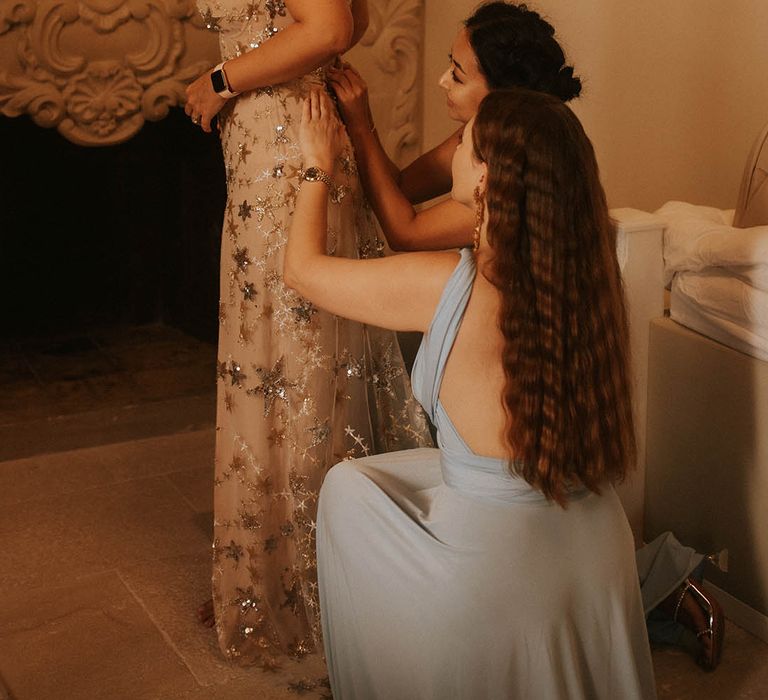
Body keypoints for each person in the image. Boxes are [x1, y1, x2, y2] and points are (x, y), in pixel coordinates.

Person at [329, 0, 724, 670]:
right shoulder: (472, 146)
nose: (443, 85)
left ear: (501, 91)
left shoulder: (510, 171)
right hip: (500, 339)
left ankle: (645, 587)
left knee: (530, 499)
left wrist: (362, 121)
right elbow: (395, 188)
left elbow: (403, 228)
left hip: (532, 336)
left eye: (458, 74)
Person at [285, 86, 657, 699]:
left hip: (494, 569)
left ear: (486, 176)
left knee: (344, 493)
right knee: (371, 482)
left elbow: (300, 269)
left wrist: (315, 164)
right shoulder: (586, 278)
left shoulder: (445, 284)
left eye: (464, 143)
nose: (452, 148)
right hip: (598, 551)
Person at [184, 0, 431, 666]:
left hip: (284, 153)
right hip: (285, 138)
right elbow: (355, 18)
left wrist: (221, 80)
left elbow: (331, 27)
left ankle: (296, 586)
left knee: (288, 358)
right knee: (299, 356)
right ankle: (276, 573)